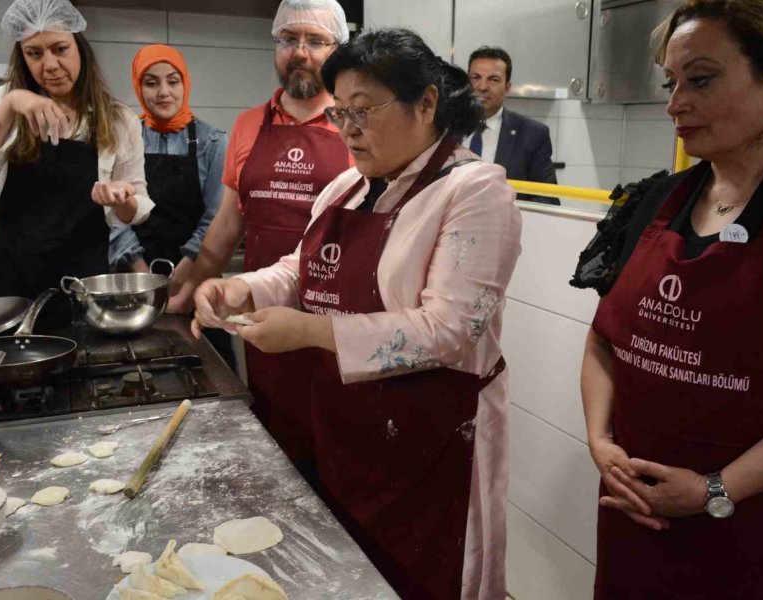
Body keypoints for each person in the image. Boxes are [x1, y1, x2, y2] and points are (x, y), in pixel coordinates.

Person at [192, 28, 522, 600]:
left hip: (435, 441)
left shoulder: (475, 191)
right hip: (351, 428)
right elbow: (299, 272)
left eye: (363, 111)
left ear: (426, 103)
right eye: (341, 112)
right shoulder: (347, 186)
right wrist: (240, 289)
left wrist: (312, 332)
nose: (347, 129)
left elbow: (450, 332)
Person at [582, 1, 763, 598]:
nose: (674, 104)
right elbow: (603, 339)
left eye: (701, 79)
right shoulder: (654, 201)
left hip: (756, 532)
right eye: (671, 82)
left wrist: (716, 489)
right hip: (632, 512)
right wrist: (601, 442)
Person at [169, 0, 353, 467]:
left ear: (337, 49)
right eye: (289, 40)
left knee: (334, 440)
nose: (300, 52)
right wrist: (189, 292)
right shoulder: (249, 124)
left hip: (334, 319)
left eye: (315, 41)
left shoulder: (356, 125)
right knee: (275, 434)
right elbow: (229, 223)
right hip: (259, 310)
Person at [0, 0, 153, 313]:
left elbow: (136, 209)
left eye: (60, 48)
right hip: (13, 276)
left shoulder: (118, 119)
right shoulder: (8, 102)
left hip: (81, 278)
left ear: (80, 48)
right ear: (22, 57)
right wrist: (10, 106)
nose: (49, 65)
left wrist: (122, 198)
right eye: (34, 53)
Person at [108, 44, 227, 287]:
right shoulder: (123, 139)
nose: (164, 92)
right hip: (132, 279)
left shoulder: (213, 142)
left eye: (173, 81)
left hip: (195, 278)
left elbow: (215, 218)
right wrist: (142, 272)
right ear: (138, 88)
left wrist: (183, 274)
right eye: (151, 83)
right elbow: (114, 215)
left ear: (185, 84)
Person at [464, 46, 559, 205]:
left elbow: (547, 200)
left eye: (493, 79)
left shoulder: (533, 134)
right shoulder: (445, 128)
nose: (482, 86)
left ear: (507, 87)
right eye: (475, 77)